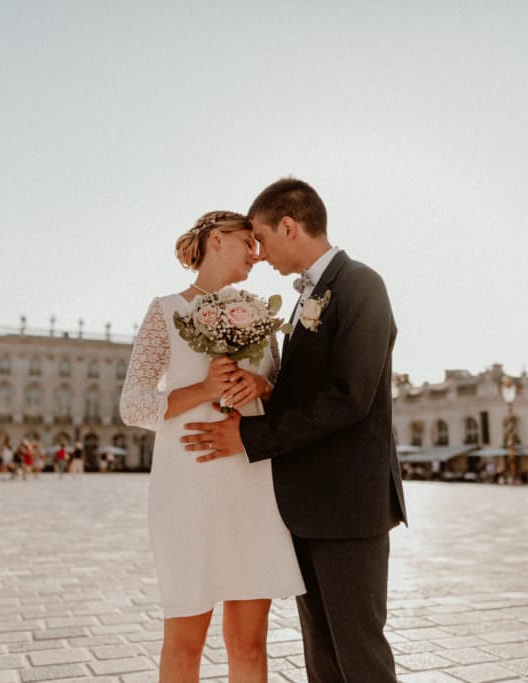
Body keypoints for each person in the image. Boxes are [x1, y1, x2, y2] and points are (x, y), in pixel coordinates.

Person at [183, 179, 407, 682]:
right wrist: (265, 389)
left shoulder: (361, 285)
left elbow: (349, 397)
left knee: (359, 651)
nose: (258, 254)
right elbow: (311, 391)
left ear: (289, 226)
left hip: (350, 506)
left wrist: (250, 439)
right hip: (307, 507)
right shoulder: (313, 295)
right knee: (322, 654)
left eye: (261, 237)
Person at [120, 209, 304, 682]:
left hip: (250, 485)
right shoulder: (164, 311)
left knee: (249, 643)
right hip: (188, 490)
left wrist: (259, 388)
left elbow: (284, 398)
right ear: (216, 241)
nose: (258, 254)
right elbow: (134, 405)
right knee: (185, 644)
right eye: (248, 242)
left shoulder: (263, 317)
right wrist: (203, 390)